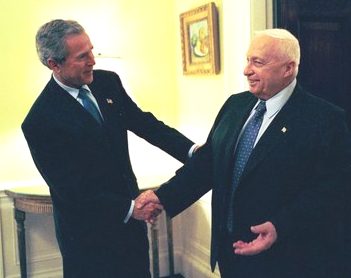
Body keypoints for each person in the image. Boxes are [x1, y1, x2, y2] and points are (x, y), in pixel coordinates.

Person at [137, 29, 351, 278]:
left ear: (288, 69)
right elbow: (209, 164)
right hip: (230, 251)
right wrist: (162, 196)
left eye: (258, 62)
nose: (246, 70)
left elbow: (335, 189)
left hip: (286, 257)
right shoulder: (234, 105)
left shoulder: (325, 120)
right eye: (248, 60)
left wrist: (280, 226)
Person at [22, 19, 196, 278]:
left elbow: (145, 124)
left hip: (131, 232)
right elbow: (72, 191)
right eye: (82, 56)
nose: (93, 60)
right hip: (87, 240)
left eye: (92, 50)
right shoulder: (39, 121)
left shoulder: (106, 82)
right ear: (54, 64)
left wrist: (192, 151)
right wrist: (130, 208)